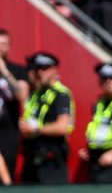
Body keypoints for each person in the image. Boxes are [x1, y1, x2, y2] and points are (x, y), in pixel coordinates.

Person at [19, 52, 74, 184]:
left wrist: (35, 129)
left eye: (44, 69)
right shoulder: (36, 94)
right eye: (37, 69)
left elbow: (62, 127)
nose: (40, 73)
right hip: (32, 156)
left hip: (51, 160)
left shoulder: (61, 94)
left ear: (54, 70)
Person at [0, 29, 29, 182]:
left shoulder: (18, 70)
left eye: (3, 44)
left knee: (7, 175)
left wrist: (4, 71)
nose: (0, 47)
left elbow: (22, 95)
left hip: (8, 130)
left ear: (9, 47)